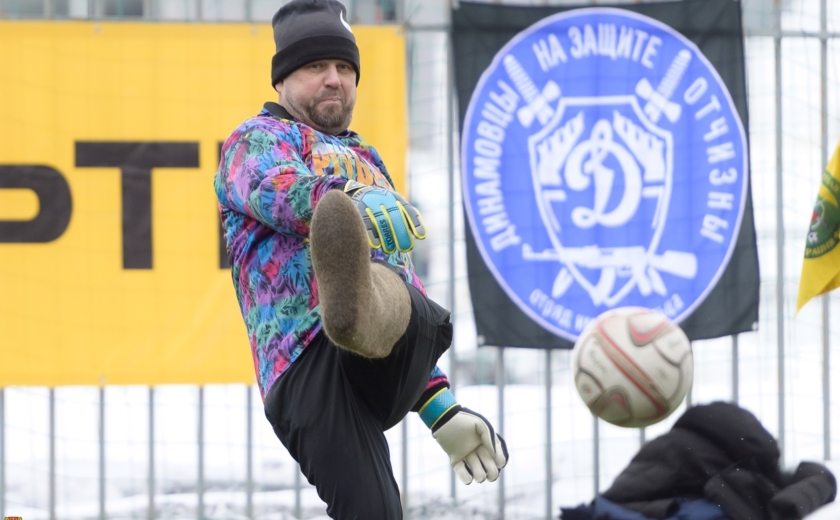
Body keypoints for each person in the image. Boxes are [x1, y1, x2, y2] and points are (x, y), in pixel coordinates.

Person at [214, 1, 508, 518]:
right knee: (376, 511)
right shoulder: (256, 138)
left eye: (344, 67)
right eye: (316, 66)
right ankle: (351, 306)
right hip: (303, 363)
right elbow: (274, 189)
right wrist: (344, 196)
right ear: (282, 79)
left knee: (412, 304)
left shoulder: (368, 158)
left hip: (383, 352)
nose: (334, 79)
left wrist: (442, 410)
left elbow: (401, 268)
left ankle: (360, 308)